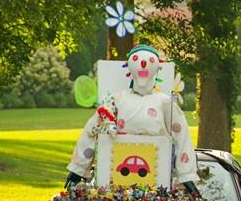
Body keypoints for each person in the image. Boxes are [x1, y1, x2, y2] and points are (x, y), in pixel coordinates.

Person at [65, 44, 198, 193]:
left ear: (157, 68)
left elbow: (182, 136)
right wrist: (79, 169)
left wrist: (186, 175)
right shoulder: (114, 101)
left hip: (157, 182)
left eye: (149, 61)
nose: (143, 64)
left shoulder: (165, 104)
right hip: (113, 184)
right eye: (137, 59)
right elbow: (92, 129)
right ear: (129, 66)